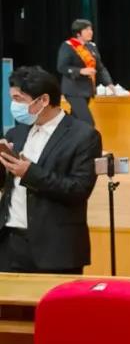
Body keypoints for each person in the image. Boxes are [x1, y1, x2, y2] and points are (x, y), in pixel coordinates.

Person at [0, 65, 101, 275]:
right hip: (10, 244)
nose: (14, 106)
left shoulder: (83, 136)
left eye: (19, 99)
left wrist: (30, 173)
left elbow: (78, 190)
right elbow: (5, 184)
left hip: (55, 248)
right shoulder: (16, 133)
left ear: (43, 100)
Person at [57, 18, 114, 128]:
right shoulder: (67, 46)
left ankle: (64, 134)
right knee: (88, 123)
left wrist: (109, 83)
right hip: (73, 90)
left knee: (75, 121)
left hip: (87, 90)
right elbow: (62, 67)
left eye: (91, 29)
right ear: (78, 33)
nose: (90, 32)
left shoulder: (91, 47)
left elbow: (100, 68)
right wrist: (80, 71)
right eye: (87, 30)